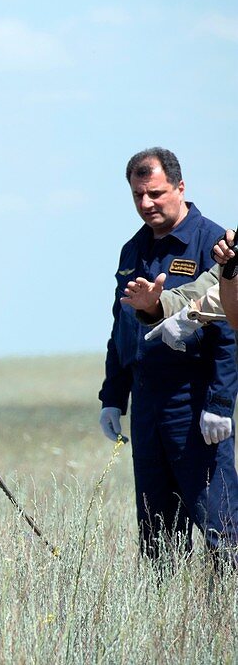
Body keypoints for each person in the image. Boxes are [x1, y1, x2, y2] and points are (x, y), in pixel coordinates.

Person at [98, 147, 238, 564]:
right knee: (158, 538)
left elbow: (230, 329)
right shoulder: (133, 250)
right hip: (146, 403)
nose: (147, 204)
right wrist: (112, 397)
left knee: (221, 525)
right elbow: (121, 329)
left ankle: (225, 614)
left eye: (156, 193)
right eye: (138, 195)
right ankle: (166, 619)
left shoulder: (215, 244)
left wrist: (219, 403)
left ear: (180, 187)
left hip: (191, 399)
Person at [121, 230, 238, 338]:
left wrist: (193, 311)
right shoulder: (132, 246)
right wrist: (156, 305)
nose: (146, 205)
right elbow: (201, 292)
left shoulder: (209, 235)